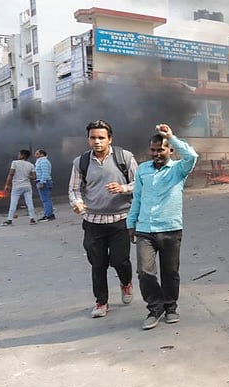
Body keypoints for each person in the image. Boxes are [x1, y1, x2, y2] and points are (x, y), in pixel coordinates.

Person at [126, 124, 199, 330]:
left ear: (170, 150)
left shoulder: (178, 170)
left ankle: (170, 307)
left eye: (161, 149)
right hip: (145, 230)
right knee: (144, 272)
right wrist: (131, 222)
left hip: (170, 229)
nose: (157, 154)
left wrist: (171, 136)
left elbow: (192, 156)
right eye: (153, 150)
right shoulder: (143, 170)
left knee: (170, 272)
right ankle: (155, 308)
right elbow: (137, 198)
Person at [69, 119, 139, 318]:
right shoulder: (81, 162)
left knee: (120, 260)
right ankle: (101, 302)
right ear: (88, 139)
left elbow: (140, 182)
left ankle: (126, 282)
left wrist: (123, 188)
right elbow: (74, 189)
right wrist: (77, 203)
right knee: (97, 264)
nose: (97, 141)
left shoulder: (124, 157)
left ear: (110, 139)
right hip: (93, 222)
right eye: (93, 138)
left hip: (120, 220)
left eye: (101, 137)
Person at [1, 149, 37, 226]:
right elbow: (34, 177)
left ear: (23, 155)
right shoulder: (31, 165)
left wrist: (7, 185)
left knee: (13, 203)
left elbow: (11, 174)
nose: (18, 155)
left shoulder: (15, 163)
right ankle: (32, 219)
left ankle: (9, 220)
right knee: (29, 203)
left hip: (17, 186)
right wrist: (27, 176)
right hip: (27, 186)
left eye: (19, 154)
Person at [34, 149, 55, 221]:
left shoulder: (43, 162)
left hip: (44, 182)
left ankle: (48, 215)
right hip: (44, 181)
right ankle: (49, 214)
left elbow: (45, 173)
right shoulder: (41, 161)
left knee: (45, 199)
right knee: (46, 199)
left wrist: (42, 182)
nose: (35, 155)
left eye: (37, 153)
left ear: (42, 154)